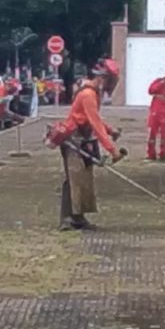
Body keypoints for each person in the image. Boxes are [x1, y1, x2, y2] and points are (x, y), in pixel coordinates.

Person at [58, 59, 124, 231]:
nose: (112, 85)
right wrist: (113, 150)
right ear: (103, 78)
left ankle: (78, 217)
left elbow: (93, 118)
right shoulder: (88, 94)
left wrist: (110, 130)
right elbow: (95, 123)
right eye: (111, 81)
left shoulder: (94, 93)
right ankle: (67, 219)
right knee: (74, 178)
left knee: (83, 178)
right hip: (72, 138)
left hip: (83, 138)